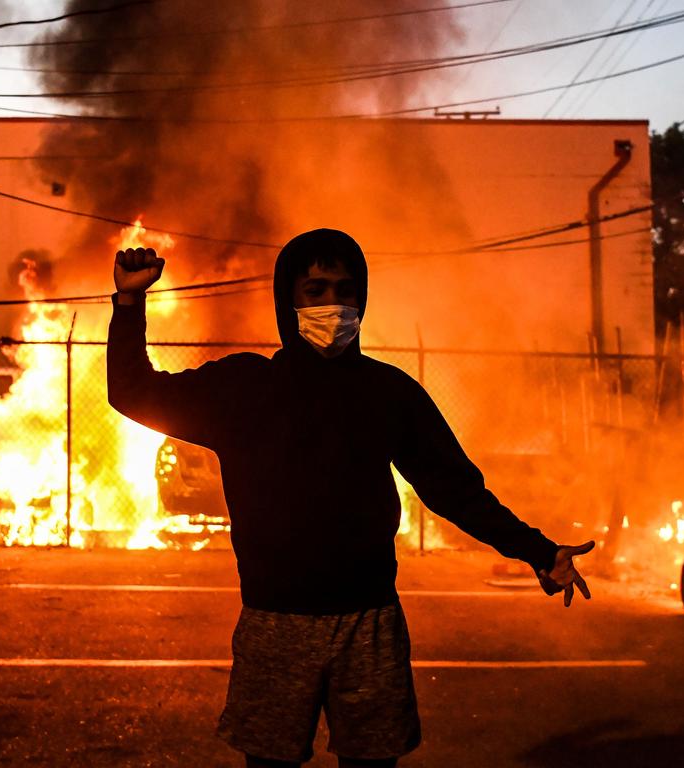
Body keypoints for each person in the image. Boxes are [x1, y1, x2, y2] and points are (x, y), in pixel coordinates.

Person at [107, 228, 593, 768]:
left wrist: (538, 551)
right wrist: (129, 302)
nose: (332, 304)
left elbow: (455, 490)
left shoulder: (387, 393)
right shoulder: (243, 389)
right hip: (275, 624)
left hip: (369, 623)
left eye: (345, 289)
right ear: (287, 300)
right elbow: (134, 392)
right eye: (315, 290)